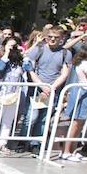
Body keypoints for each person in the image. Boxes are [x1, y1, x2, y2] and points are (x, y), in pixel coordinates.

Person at [22, 25, 73, 153]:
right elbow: (30, 69)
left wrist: (52, 87)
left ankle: (36, 143)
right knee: (31, 117)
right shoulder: (38, 50)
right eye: (50, 37)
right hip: (37, 88)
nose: (52, 39)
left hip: (52, 89)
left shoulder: (65, 53)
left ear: (61, 38)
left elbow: (64, 73)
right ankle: (23, 140)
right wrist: (41, 86)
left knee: (44, 118)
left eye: (55, 37)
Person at [0, 39, 26, 156]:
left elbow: (28, 69)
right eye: (10, 45)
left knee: (7, 121)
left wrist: (24, 55)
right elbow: (0, 67)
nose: (13, 48)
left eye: (15, 46)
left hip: (12, 95)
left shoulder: (20, 62)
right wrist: (7, 53)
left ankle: (3, 143)